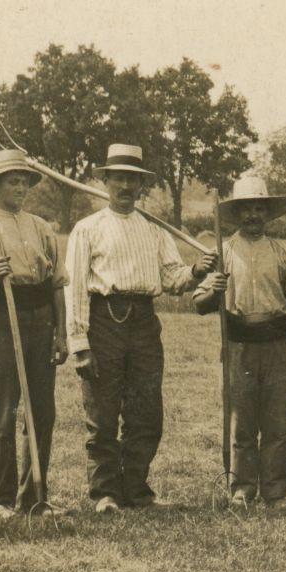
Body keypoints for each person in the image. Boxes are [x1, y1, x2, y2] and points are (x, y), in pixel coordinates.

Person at [65, 144, 216, 513]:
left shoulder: (155, 230)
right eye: (119, 178)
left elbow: (172, 278)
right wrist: (80, 342)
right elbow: (75, 287)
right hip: (104, 320)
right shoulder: (87, 230)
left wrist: (196, 271)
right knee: (102, 412)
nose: (126, 186)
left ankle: (135, 490)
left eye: (133, 179)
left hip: (145, 322)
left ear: (141, 185)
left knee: (146, 411)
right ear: (105, 181)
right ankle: (104, 493)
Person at [192, 175, 286, 509]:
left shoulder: (282, 253)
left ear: (267, 213)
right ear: (236, 214)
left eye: (259, 209)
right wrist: (213, 289)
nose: (253, 216)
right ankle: (243, 488)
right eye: (246, 209)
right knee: (242, 421)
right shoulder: (221, 252)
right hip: (239, 344)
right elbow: (200, 304)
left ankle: (275, 491)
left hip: (278, 343)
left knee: (277, 422)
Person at [0, 149, 68, 518]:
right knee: (3, 411)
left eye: (24, 181)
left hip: (42, 320)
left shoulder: (42, 226)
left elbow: (57, 284)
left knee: (41, 412)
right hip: (5, 320)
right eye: (12, 181)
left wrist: (61, 334)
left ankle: (35, 496)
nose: (19, 187)